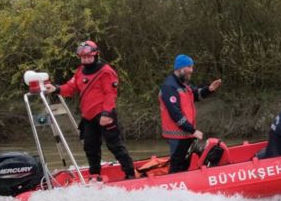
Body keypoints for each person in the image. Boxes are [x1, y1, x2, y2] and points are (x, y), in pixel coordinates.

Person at [44, 40, 136, 180]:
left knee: (115, 146)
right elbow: (71, 87)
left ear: (95, 55)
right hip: (88, 117)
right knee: (90, 148)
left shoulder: (106, 71)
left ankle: (130, 173)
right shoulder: (80, 71)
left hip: (104, 114)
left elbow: (110, 94)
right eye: (83, 57)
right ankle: (95, 175)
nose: (86, 59)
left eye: (88, 57)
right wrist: (56, 89)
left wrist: (106, 114)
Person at [158, 54, 222, 173]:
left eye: (192, 67)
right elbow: (175, 114)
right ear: (180, 68)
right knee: (177, 167)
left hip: (187, 134)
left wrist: (209, 89)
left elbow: (196, 94)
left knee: (184, 166)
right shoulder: (169, 87)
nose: (191, 71)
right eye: (189, 67)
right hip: (176, 136)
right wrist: (193, 131)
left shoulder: (184, 85)